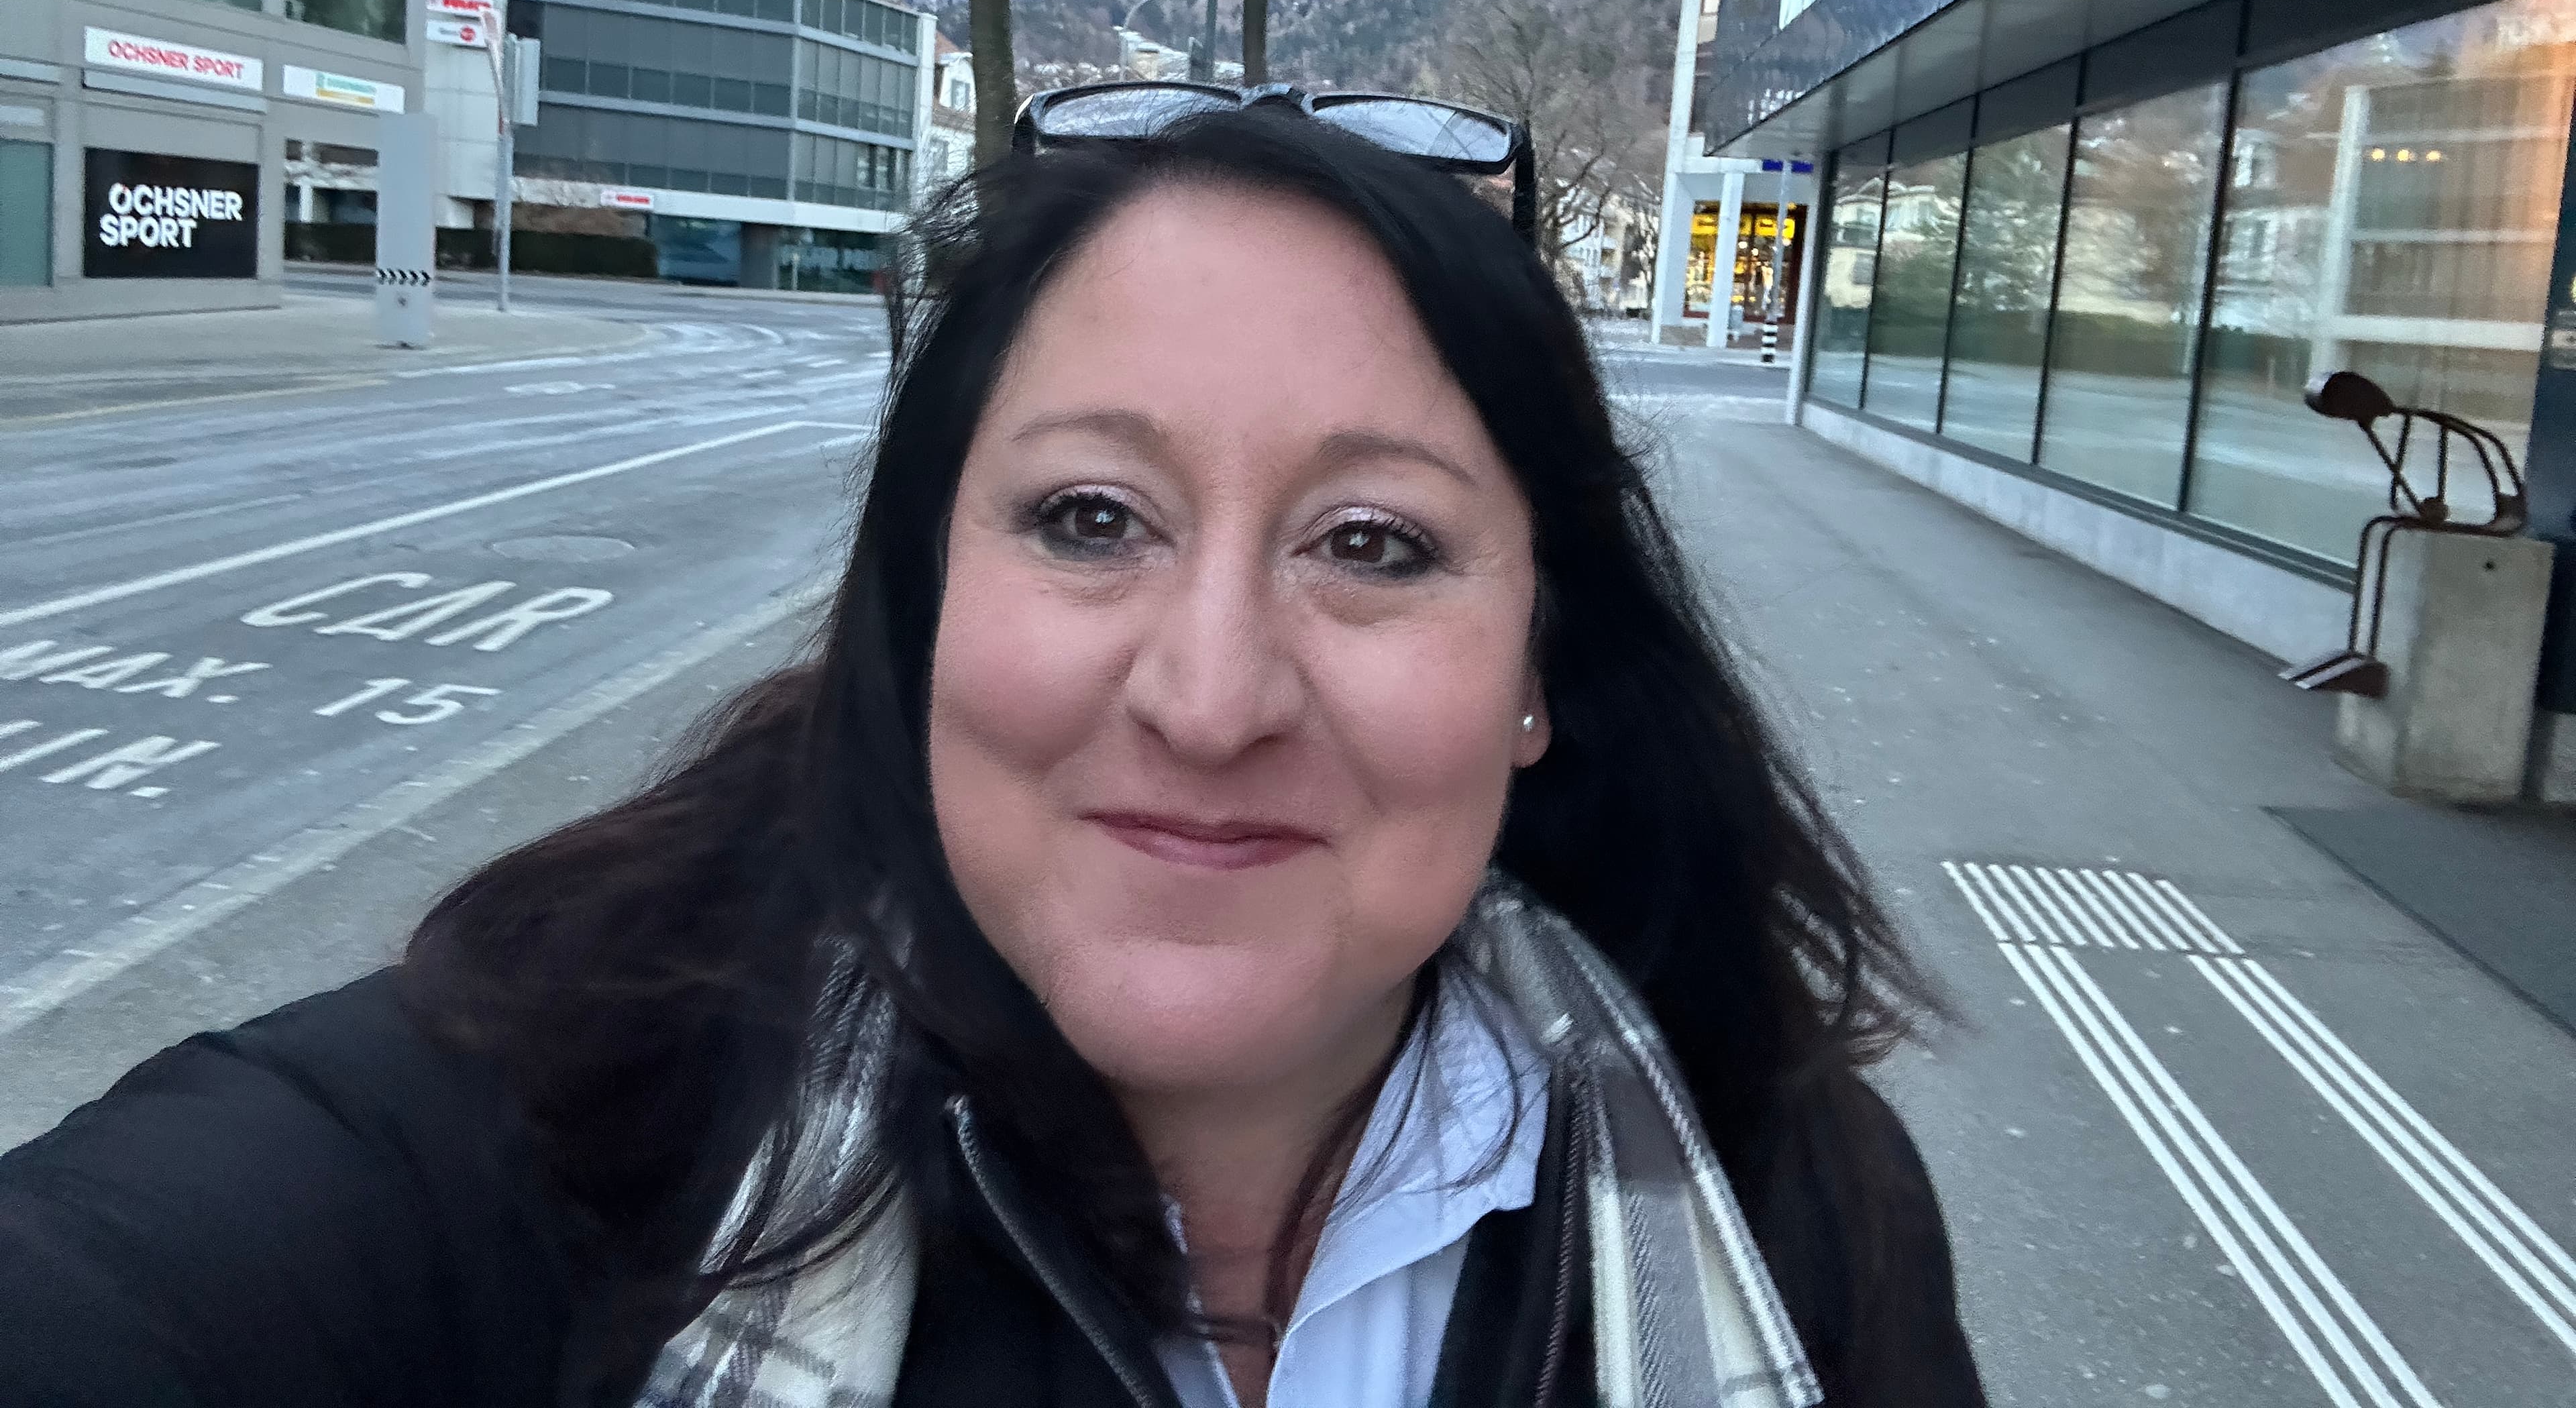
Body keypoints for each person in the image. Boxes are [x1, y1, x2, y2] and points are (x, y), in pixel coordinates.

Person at [0, 105, 1984, 1408]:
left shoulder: (1800, 1211)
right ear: (925, 593)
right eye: (1089, 520)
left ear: (1541, 662)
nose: (1212, 700)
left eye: (1373, 546)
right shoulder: (538, 1130)